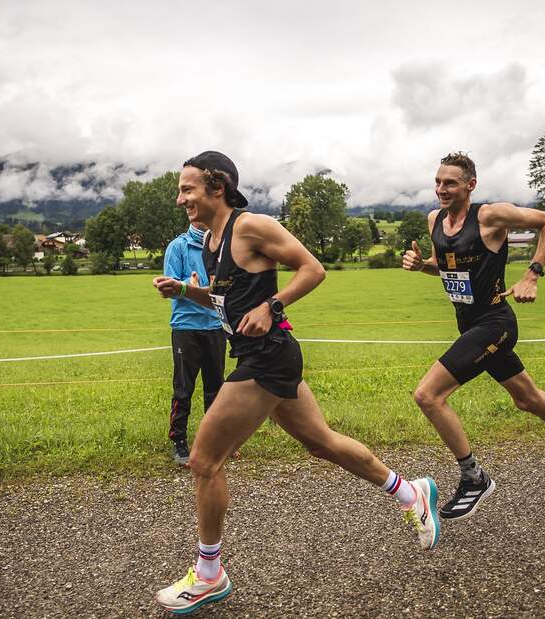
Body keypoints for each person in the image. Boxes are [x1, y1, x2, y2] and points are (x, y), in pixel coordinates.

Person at [152, 151, 439, 615]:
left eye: (188, 189)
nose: (181, 198)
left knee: (204, 460)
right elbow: (228, 302)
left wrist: (274, 306)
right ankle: (412, 492)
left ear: (217, 187)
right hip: (265, 357)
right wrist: (186, 291)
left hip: (267, 360)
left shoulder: (251, 226)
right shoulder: (211, 242)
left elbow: (313, 269)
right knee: (322, 443)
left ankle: (209, 575)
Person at [401, 151, 545, 522]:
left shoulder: (490, 215)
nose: (441, 189)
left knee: (428, 395)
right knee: (526, 398)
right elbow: (448, 268)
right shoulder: (434, 220)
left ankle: (474, 478)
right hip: (470, 326)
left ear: (471, 185)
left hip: (495, 324)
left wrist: (532, 274)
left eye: (450, 183)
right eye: (438, 181)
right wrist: (423, 266)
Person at [162, 222, 226, 467]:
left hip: (216, 326)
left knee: (216, 389)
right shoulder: (178, 246)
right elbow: (168, 288)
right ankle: (179, 442)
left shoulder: (220, 246)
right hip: (186, 327)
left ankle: (215, 443)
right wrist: (189, 286)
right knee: (183, 388)